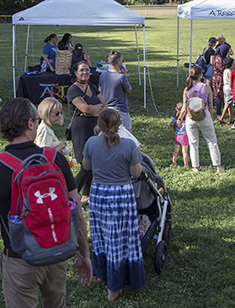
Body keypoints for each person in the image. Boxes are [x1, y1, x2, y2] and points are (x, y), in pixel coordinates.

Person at [0, 98, 92, 307]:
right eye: (37, 121)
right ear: (30, 124)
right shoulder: (55, 160)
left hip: (20, 259)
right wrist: (84, 254)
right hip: (57, 251)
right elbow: (77, 213)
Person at [81, 108, 145, 301]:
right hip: (121, 195)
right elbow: (136, 173)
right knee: (121, 240)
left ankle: (103, 274)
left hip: (100, 194)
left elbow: (86, 166)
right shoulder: (128, 145)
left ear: (99, 124)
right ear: (119, 124)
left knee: (102, 237)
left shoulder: (91, 143)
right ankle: (114, 287)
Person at [67, 60, 107, 202]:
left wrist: (92, 111)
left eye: (87, 70)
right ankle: (71, 197)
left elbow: (105, 107)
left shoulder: (93, 87)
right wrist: (95, 108)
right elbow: (85, 109)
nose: (85, 72)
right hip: (81, 131)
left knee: (93, 163)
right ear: (76, 72)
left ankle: (86, 195)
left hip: (96, 129)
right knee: (85, 165)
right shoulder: (73, 90)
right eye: (81, 70)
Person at [177, 65, 224, 173]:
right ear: (200, 75)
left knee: (193, 143)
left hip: (191, 118)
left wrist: (179, 119)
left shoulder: (187, 89)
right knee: (212, 141)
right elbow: (211, 105)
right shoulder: (206, 87)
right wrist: (211, 117)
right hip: (204, 115)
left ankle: (195, 167)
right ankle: (217, 166)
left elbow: (184, 107)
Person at [99, 50, 133, 133]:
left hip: (106, 109)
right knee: (128, 133)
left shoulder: (102, 75)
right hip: (120, 110)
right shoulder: (121, 77)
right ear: (118, 62)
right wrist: (124, 75)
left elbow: (99, 91)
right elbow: (129, 90)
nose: (122, 62)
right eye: (122, 60)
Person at [212, 35, 232, 117]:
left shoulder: (221, 57)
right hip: (218, 79)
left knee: (223, 96)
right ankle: (218, 113)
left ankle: (226, 111)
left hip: (222, 78)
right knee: (219, 96)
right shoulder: (219, 59)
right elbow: (224, 69)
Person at [169, 102, 189, 167]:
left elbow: (170, 125)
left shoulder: (175, 118)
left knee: (175, 150)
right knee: (185, 151)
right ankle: (186, 165)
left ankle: (174, 162)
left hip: (177, 135)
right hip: (184, 136)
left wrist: (174, 126)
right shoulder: (187, 118)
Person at [218, 56, 235, 125]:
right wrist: (233, 89)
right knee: (227, 104)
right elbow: (231, 82)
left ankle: (232, 119)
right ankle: (221, 119)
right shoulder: (230, 72)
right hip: (229, 88)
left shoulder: (225, 71)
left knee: (229, 105)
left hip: (225, 87)